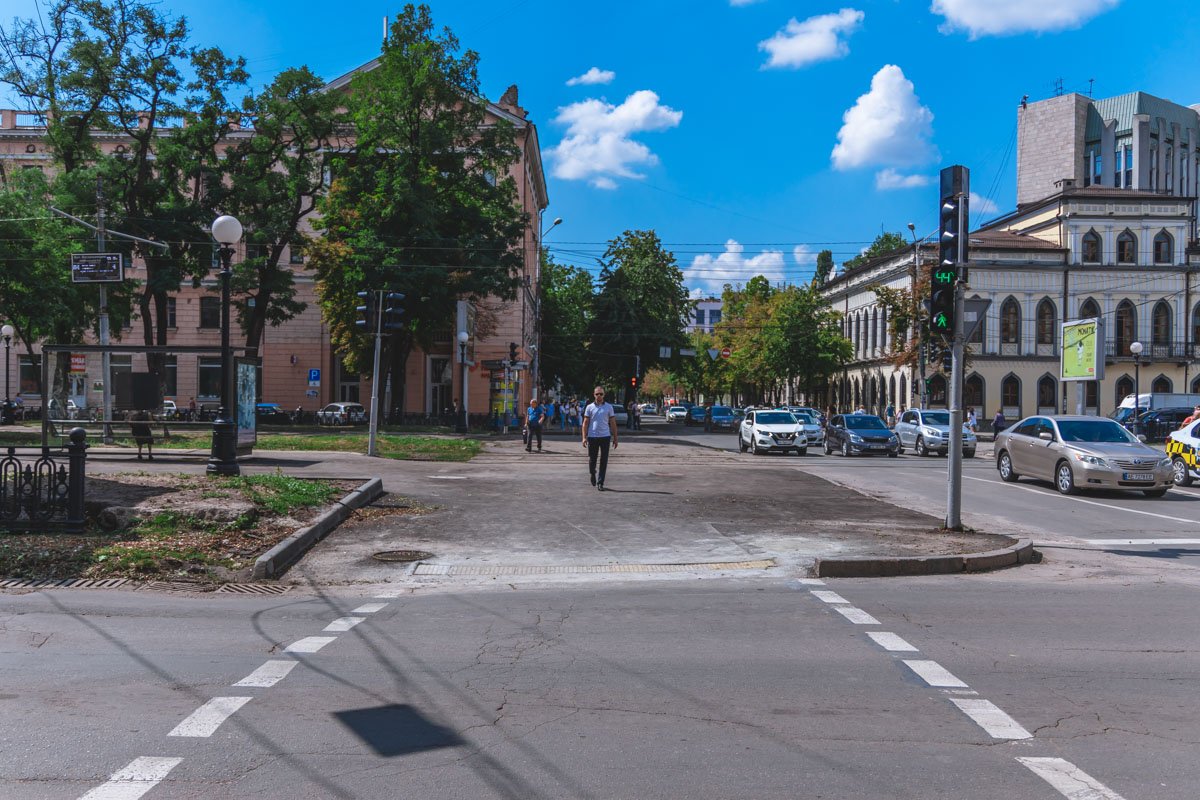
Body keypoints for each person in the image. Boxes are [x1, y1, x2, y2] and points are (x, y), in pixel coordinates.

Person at [582, 386, 618, 490]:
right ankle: (592, 473)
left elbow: (613, 423)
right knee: (592, 459)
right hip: (592, 437)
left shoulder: (609, 407)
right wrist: (584, 437)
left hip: (605, 436)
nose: (599, 396)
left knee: (604, 460)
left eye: (601, 394)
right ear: (594, 395)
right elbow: (585, 423)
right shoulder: (589, 407)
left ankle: (600, 482)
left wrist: (615, 438)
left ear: (604, 395)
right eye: (597, 394)